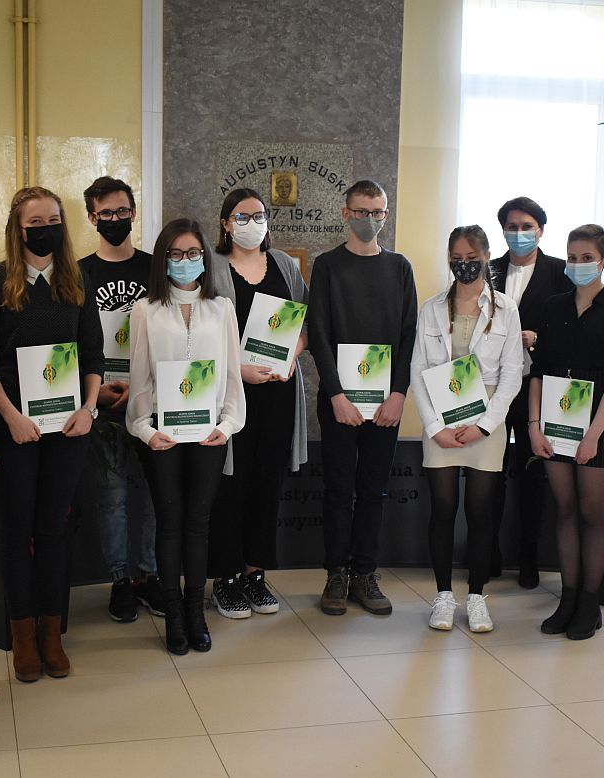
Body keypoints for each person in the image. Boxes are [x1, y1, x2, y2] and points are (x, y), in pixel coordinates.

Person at [0, 186, 103, 680]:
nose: (45, 229)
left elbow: (92, 354)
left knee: (53, 529)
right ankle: (22, 636)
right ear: (18, 228)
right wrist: (10, 417)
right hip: (15, 428)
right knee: (16, 529)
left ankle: (52, 633)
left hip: (68, 428)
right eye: (35, 223)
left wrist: (88, 408)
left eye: (53, 221)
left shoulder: (77, 279)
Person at [126, 218, 245, 655]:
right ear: (162, 260)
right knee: (169, 520)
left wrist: (226, 426)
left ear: (204, 258)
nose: (184, 261)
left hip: (209, 433)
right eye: (174, 254)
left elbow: (231, 377)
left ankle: (196, 611)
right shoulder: (145, 310)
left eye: (193, 253)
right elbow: (140, 379)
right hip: (163, 435)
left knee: (198, 522)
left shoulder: (222, 308)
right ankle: (174, 613)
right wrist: (144, 429)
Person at [308, 179, 418, 616]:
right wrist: (336, 394)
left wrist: (399, 393)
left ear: (385, 215)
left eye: (376, 213)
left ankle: (365, 574)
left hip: (386, 403)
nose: (368, 220)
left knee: (374, 490)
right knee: (338, 489)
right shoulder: (327, 266)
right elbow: (319, 333)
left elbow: (408, 336)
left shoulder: (400, 268)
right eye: (360, 212)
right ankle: (335, 574)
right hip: (339, 402)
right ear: (345, 213)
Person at [528, 224, 604, 640]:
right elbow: (539, 372)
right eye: (572, 258)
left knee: (592, 511)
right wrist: (534, 426)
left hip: (599, 423)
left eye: (586, 258)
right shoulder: (553, 307)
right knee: (565, 509)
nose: (578, 265)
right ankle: (568, 598)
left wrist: (592, 436)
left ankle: (590, 603)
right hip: (556, 420)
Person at [411, 226, 524, 632]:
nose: (463, 265)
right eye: (456, 258)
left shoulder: (506, 309)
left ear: (487, 256)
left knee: (480, 511)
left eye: (471, 257)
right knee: (442, 509)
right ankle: (443, 596)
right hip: (441, 415)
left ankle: (476, 597)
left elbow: (512, 374)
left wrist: (486, 426)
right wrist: (433, 426)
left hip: (486, 417)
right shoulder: (431, 308)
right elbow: (418, 369)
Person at [206, 188, 308, 619]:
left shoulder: (284, 264)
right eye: (242, 217)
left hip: (278, 393)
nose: (253, 223)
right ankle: (225, 579)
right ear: (226, 223)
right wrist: (237, 369)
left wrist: (291, 356)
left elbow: (305, 323)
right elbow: (201, 332)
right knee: (230, 485)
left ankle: (255, 574)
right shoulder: (212, 268)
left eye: (260, 215)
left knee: (268, 484)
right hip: (232, 395)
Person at [78, 176, 162, 623]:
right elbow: (73, 341)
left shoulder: (156, 269)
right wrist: (95, 393)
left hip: (152, 402)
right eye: (106, 213)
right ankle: (119, 581)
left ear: (133, 212)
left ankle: (149, 576)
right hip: (102, 404)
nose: (115, 219)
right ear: (92, 218)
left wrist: (145, 386)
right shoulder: (77, 273)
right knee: (111, 497)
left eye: (122, 211)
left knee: (151, 494)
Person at [488, 197, 573, 589]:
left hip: (536, 387)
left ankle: (528, 558)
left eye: (527, 226)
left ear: (541, 230)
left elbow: (573, 328)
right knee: (489, 471)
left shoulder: (560, 272)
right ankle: (488, 553)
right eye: (512, 226)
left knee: (531, 473)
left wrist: (539, 338)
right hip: (492, 386)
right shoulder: (488, 269)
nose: (519, 233)